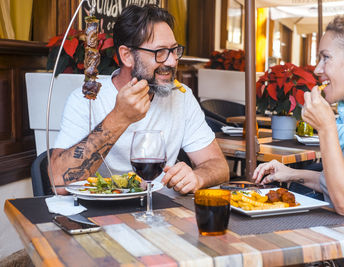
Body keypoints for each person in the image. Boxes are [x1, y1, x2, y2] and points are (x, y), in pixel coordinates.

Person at [50, 4, 229, 194]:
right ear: (127, 56)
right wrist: (120, 117)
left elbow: (218, 165)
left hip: (162, 213)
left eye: (174, 50)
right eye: (160, 52)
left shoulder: (180, 96)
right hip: (103, 215)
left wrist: (198, 177)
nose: (172, 61)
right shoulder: (86, 99)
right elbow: (59, 182)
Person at [254, 9, 344, 230]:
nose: (317, 69)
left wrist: (326, 128)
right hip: (341, 238)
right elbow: (338, 181)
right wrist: (292, 174)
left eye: (326, 57)